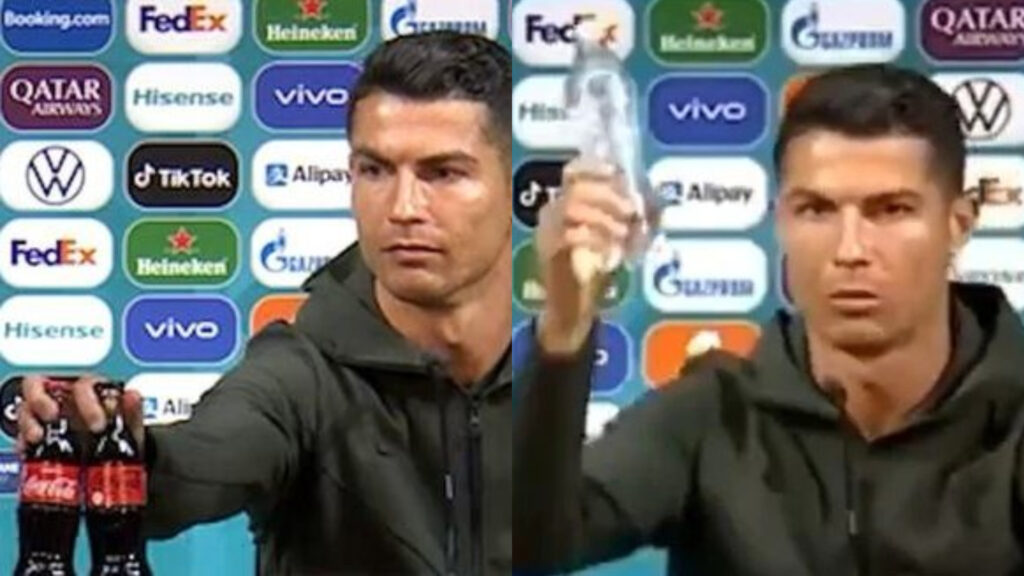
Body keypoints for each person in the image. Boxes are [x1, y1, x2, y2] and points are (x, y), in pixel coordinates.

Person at [17, 31, 513, 575]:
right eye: (375, 170)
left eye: (443, 173)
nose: (403, 207)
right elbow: (199, 463)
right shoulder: (298, 376)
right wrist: (118, 449)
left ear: (513, 183)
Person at [513, 63, 1024, 575]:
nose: (851, 250)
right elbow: (521, 545)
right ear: (781, 221)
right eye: (816, 210)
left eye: (891, 210)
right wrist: (563, 331)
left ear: (958, 224)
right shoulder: (712, 415)